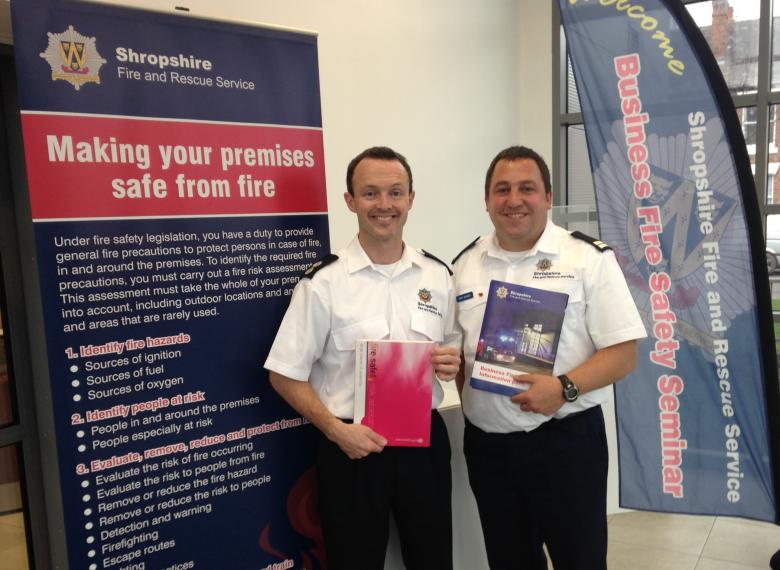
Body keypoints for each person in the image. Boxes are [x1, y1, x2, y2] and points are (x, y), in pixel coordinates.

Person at [264, 146, 461, 570]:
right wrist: (337, 431)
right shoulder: (323, 284)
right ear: (350, 201)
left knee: (433, 560)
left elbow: (451, 349)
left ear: (411, 198)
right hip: (351, 450)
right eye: (370, 194)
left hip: (423, 446)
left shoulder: (438, 275)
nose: (384, 205)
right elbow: (283, 374)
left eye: (395, 192)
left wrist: (450, 363)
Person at [453, 145, 646, 570]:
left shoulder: (588, 260)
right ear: (486, 200)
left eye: (527, 188)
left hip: (565, 445)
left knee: (579, 560)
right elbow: (460, 356)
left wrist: (564, 387)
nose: (514, 200)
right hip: (489, 450)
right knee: (509, 561)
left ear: (548, 197)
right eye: (502, 189)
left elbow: (624, 353)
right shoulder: (465, 266)